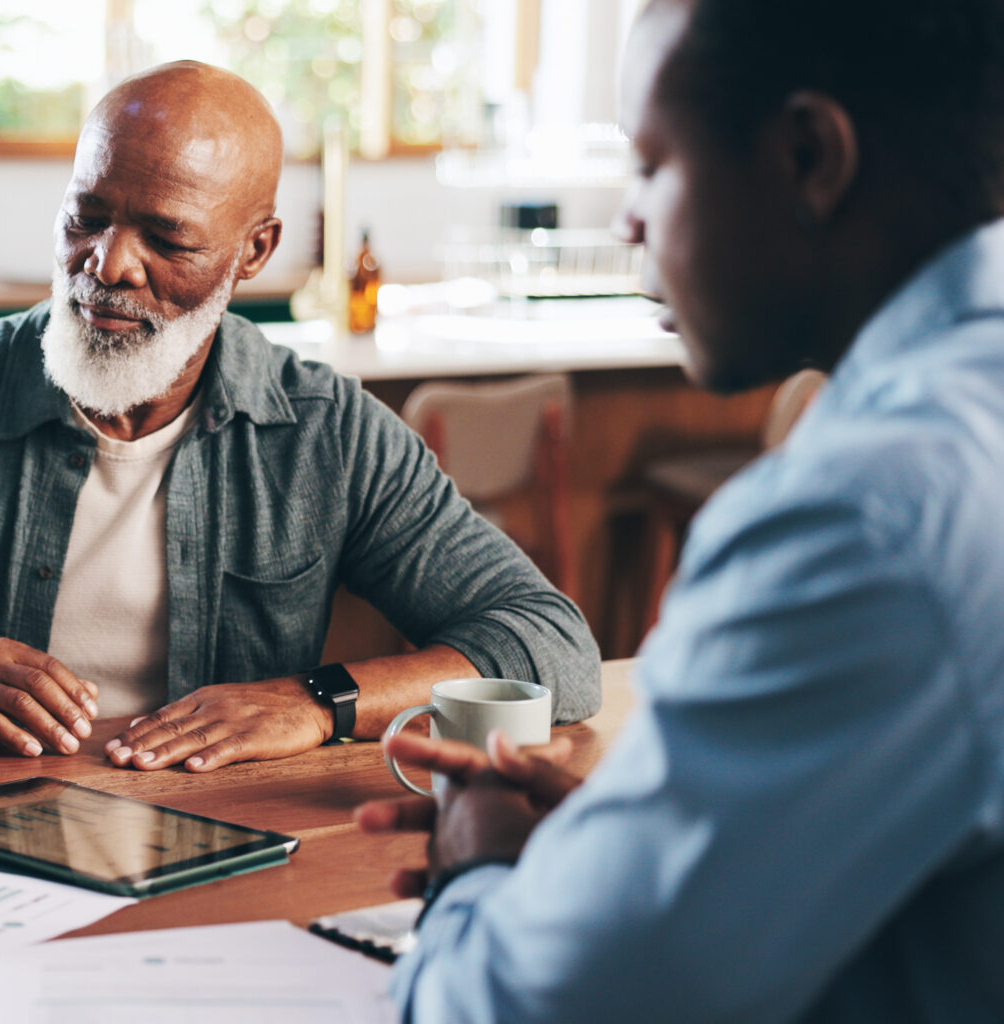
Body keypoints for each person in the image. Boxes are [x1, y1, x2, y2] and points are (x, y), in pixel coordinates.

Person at [360, 0, 1004, 1019]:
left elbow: (529, 1006)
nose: (627, 220)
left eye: (652, 165)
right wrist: (637, 849)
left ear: (808, 157)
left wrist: (479, 866)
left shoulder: (864, 515)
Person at [0, 62, 600, 773]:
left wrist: (315, 700)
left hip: (218, 831)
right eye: (86, 217)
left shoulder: (327, 432)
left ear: (253, 252)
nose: (109, 264)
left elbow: (552, 646)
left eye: (166, 239)